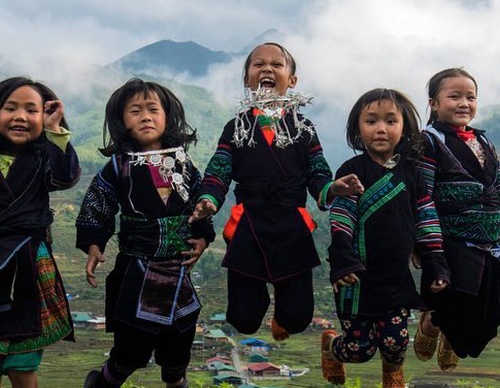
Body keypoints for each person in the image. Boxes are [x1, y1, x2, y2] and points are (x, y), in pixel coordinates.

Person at [189, 42, 364, 342]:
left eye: (276, 64)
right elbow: (220, 168)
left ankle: (282, 317)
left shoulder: (304, 128)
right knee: (242, 319)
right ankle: (258, 300)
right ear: (247, 80)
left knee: (297, 319)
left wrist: (331, 188)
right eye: (258, 64)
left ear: (292, 81)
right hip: (249, 224)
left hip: (291, 225)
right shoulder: (236, 127)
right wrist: (209, 199)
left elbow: (318, 173)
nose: (267, 69)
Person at [75, 78, 215, 388]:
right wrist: (94, 243)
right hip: (136, 272)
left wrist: (203, 237)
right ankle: (103, 383)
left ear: (168, 117)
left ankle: (176, 381)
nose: (146, 116)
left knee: (180, 338)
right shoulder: (118, 166)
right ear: (121, 120)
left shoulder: (185, 165)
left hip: (178, 270)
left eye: (153, 109)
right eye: (135, 111)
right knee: (131, 347)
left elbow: (201, 202)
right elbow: (98, 203)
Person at [321, 89, 449, 388]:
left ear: (404, 127)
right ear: (357, 128)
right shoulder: (352, 171)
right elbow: (342, 218)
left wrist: (436, 263)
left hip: (396, 279)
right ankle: (331, 347)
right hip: (356, 280)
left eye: (391, 121)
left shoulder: (412, 174)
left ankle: (392, 376)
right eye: (371, 121)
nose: (381, 128)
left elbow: (427, 221)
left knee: (395, 342)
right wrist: (342, 259)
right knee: (359, 349)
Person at [413, 68, 500, 372]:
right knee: (455, 303)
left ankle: (449, 331)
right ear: (434, 103)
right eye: (454, 96)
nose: (464, 103)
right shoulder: (429, 141)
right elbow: (421, 193)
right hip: (449, 237)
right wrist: (421, 244)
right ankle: (433, 323)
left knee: (489, 320)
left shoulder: (484, 142)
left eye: (470, 97)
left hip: (491, 238)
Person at [0, 76, 80, 388]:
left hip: (27, 263)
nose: (20, 116)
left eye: (31, 110)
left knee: (24, 362)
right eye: (10, 108)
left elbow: (65, 178)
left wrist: (55, 131)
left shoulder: (44, 155)